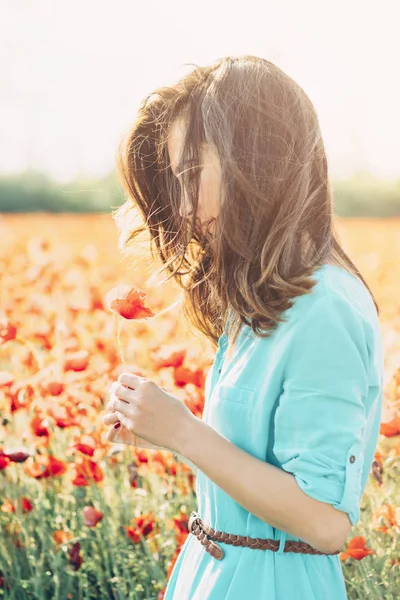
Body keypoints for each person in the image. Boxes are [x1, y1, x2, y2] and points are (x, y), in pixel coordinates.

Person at [103, 55, 384, 599]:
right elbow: (252, 466)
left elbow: (326, 523)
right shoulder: (266, 298)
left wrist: (185, 432)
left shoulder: (324, 306)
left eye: (190, 175)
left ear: (258, 161)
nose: (182, 206)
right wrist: (160, 431)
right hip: (219, 570)